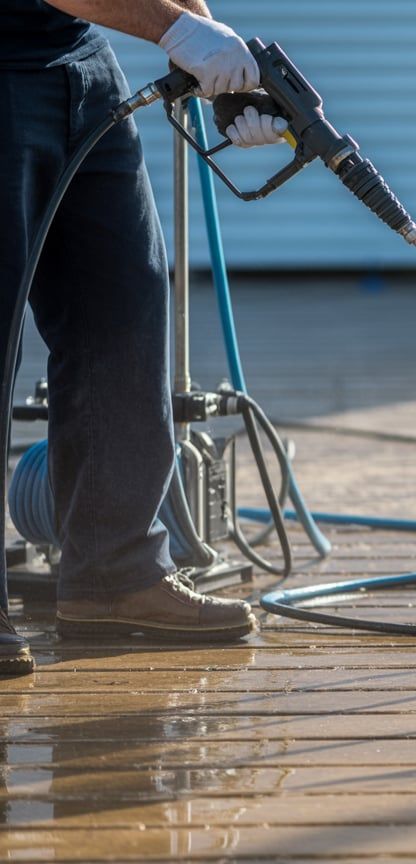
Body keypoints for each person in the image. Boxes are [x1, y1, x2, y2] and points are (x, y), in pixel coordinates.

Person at [0, 0, 288, 677]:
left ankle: (113, 576)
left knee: (121, 310)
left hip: (75, 59)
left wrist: (224, 63)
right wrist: (176, 31)